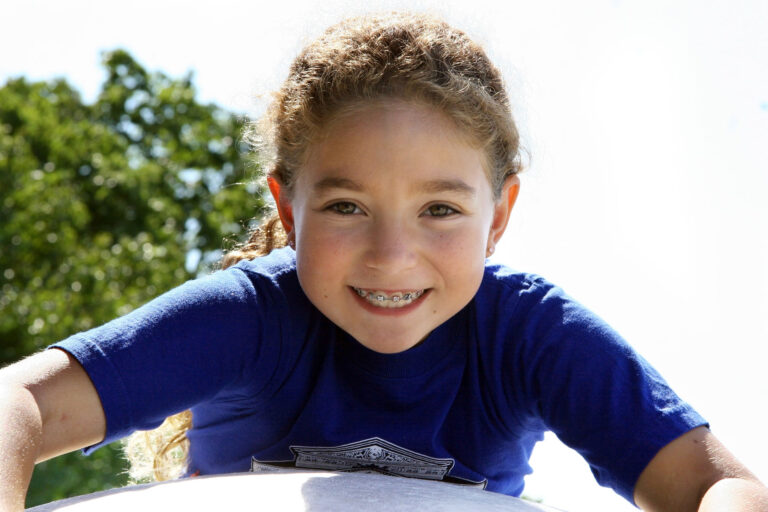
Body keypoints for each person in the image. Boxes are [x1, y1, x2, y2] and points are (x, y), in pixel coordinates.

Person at [0, 12, 766, 512]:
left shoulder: (528, 336)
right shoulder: (250, 320)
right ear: (287, 210)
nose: (393, 257)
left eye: (440, 210)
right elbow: (19, 404)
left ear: (498, 217)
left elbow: (723, 487)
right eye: (346, 208)